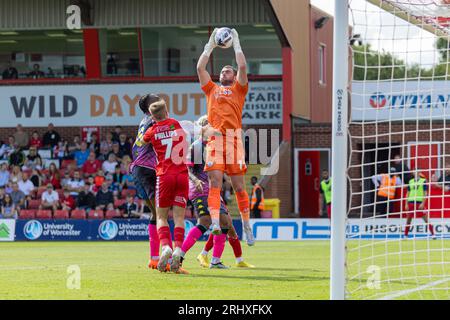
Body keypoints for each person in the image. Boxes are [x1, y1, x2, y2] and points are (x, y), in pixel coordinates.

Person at [197, 28, 254, 245]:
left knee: (239, 186)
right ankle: (214, 222)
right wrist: (210, 44)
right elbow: (200, 67)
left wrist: (237, 43)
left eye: (228, 70)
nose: (225, 72)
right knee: (215, 184)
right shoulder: (211, 89)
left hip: (234, 140)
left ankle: (247, 225)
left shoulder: (240, 89)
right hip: (215, 140)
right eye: (222, 70)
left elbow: (242, 66)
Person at [181, 121, 254, 269]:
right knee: (205, 222)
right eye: (211, 126)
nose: (216, 129)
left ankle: (215, 260)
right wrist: (195, 180)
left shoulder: (214, 147)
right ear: (204, 127)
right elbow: (186, 169)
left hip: (213, 192)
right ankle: (180, 255)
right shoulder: (196, 146)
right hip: (200, 191)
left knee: (226, 222)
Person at [143, 95, 189, 273]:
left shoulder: (152, 130)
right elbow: (183, 139)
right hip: (182, 174)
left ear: (152, 116)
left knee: (161, 217)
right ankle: (178, 248)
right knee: (179, 217)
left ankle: (166, 248)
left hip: (164, 175)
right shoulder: (175, 124)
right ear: (167, 111)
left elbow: (141, 141)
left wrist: (152, 123)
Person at [129, 94, 161, 270]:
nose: (161, 100)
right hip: (149, 169)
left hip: (138, 169)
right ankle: (167, 255)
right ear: (151, 106)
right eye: (158, 99)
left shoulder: (143, 121)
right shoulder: (155, 119)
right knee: (161, 214)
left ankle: (154, 258)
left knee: (156, 214)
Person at [404, 171, 435, 239]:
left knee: (426, 219)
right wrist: (406, 204)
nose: (416, 173)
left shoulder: (423, 181)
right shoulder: (410, 181)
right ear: (413, 173)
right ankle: (405, 235)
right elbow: (408, 193)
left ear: (419, 173)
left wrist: (423, 203)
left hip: (419, 202)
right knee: (408, 219)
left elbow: (425, 193)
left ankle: (433, 234)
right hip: (411, 202)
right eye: (415, 172)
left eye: (417, 171)